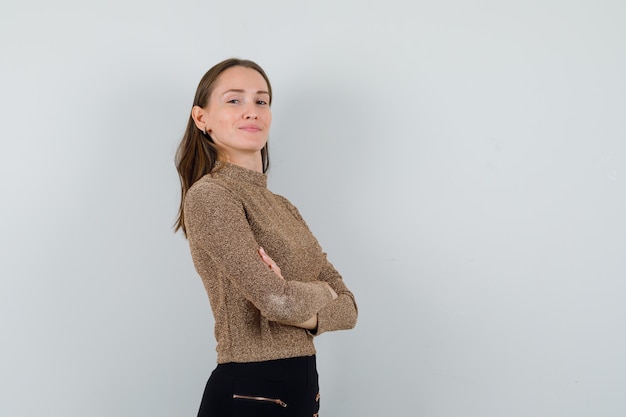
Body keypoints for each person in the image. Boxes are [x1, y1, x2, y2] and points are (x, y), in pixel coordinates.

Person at [174, 57, 358, 417]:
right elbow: (277, 302)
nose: (251, 111)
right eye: (234, 100)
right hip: (249, 391)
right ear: (202, 119)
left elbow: (350, 309)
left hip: (302, 391)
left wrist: (293, 294)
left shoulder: (282, 206)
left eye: (261, 100)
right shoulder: (211, 196)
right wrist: (324, 294)